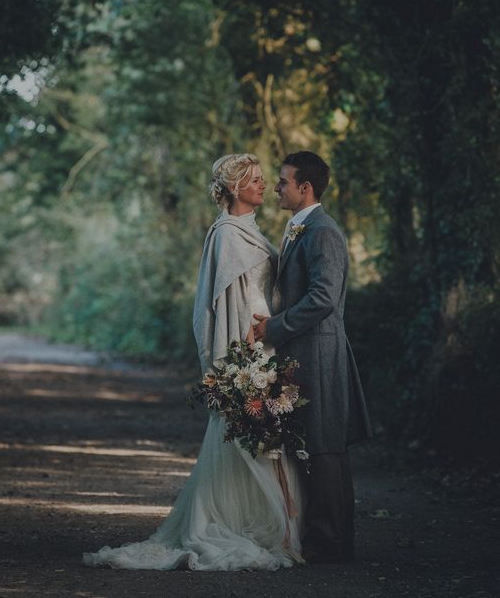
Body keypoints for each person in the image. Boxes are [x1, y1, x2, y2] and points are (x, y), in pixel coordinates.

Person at [83, 154, 305, 571]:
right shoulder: (224, 235)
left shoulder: (252, 231)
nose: (262, 186)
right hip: (246, 345)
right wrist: (234, 361)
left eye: (263, 179)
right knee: (243, 436)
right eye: (254, 180)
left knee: (267, 438)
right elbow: (220, 306)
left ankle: (272, 523)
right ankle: (231, 521)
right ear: (234, 188)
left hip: (267, 340)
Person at [252, 150, 372, 564]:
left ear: (305, 188)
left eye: (283, 181)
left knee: (324, 446)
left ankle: (331, 544)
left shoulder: (322, 231)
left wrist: (275, 327)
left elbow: (322, 297)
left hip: (319, 351)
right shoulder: (299, 228)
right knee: (314, 444)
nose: (277, 187)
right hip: (303, 351)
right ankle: (323, 539)